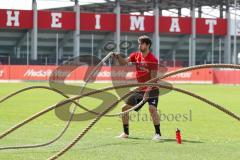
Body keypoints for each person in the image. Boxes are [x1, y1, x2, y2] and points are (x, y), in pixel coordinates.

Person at [113, 35, 162, 140]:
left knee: (152, 109)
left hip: (152, 89)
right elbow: (123, 62)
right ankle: (126, 133)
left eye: (142, 43)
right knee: (124, 108)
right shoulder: (136, 55)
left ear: (148, 45)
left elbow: (153, 79)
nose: (139, 45)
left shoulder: (153, 59)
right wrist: (118, 57)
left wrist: (147, 92)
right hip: (140, 89)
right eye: (139, 43)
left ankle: (158, 134)